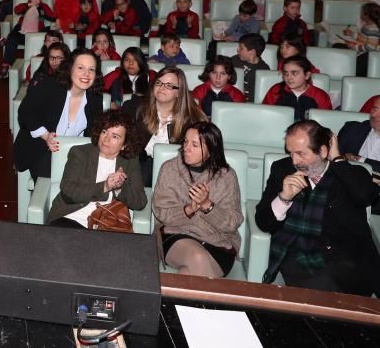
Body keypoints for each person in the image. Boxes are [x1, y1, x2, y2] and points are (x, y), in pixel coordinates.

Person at [255, 120, 380, 295]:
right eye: (291, 153)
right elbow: (263, 222)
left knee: (344, 285)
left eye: (300, 153)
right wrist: (284, 198)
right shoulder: (282, 170)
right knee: (322, 287)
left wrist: (337, 159)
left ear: (323, 150)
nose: (294, 161)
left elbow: (366, 196)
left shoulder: (349, 174)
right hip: (297, 252)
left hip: (345, 257)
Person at [153, 122, 244, 277]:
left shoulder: (227, 176)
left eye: (195, 145)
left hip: (218, 242)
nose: (186, 148)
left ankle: (171, 301)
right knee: (198, 257)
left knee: (190, 273)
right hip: (176, 235)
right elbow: (162, 213)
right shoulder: (169, 169)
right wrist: (190, 209)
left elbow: (232, 222)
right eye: (186, 142)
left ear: (211, 150)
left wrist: (207, 206)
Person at [44, 110, 148, 228]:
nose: (106, 139)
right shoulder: (80, 153)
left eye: (115, 136)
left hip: (107, 223)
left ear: (125, 145)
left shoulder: (130, 161)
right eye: (104, 132)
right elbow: (68, 191)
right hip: (70, 217)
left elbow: (140, 202)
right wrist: (105, 186)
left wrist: (120, 188)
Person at [15, 49, 103, 180]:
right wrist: (45, 136)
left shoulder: (95, 99)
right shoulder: (50, 86)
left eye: (91, 69)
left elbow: (93, 133)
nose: (86, 74)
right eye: (80, 67)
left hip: (74, 154)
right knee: (53, 180)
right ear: (70, 69)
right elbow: (25, 112)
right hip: (41, 148)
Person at [132, 66, 206, 185]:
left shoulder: (193, 119)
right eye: (159, 83)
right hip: (138, 169)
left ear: (179, 92)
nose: (161, 88)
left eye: (169, 85)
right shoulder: (137, 109)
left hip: (177, 174)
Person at [263, 56, 332, 120]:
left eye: (294, 73)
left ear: (307, 75)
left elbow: (326, 121)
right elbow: (265, 115)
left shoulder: (320, 96)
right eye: (286, 73)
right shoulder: (275, 90)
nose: (289, 78)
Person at [337, 101, 380, 181]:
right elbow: (335, 159)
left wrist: (359, 159)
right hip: (345, 183)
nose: (373, 115)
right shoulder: (352, 129)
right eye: (374, 109)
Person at [231, 33, 270, 102]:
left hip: (249, 103)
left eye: (241, 48)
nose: (237, 50)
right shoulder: (235, 60)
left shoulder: (263, 69)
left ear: (252, 52)